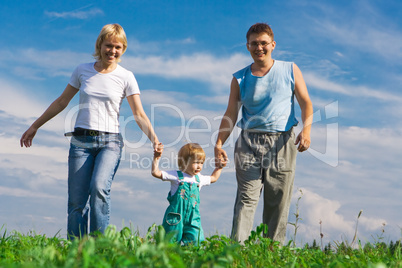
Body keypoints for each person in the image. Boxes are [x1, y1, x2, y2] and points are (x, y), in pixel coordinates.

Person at [20, 24, 160, 239]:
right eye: (109, 45)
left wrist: (154, 140)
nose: (112, 51)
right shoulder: (82, 70)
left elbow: (138, 113)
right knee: (77, 202)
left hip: (110, 142)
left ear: (123, 49)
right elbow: (61, 101)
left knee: (99, 188)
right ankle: (76, 251)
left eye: (118, 47)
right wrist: (35, 126)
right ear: (99, 45)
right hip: (81, 142)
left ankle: (98, 248)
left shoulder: (126, 76)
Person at [214, 23, 313, 244]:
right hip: (249, 142)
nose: (259, 47)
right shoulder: (239, 78)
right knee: (246, 198)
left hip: (282, 142)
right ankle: (236, 252)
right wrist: (219, 143)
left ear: (273, 45)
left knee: (277, 200)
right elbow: (230, 113)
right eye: (254, 44)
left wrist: (306, 130)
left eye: (263, 43)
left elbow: (306, 103)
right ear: (247, 46)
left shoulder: (290, 69)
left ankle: (271, 253)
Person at [151, 143, 225, 245]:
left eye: (201, 163)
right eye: (196, 162)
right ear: (184, 161)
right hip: (175, 217)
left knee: (196, 241)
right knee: (169, 243)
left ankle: (192, 259)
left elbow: (213, 178)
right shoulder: (176, 175)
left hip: (193, 219)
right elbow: (156, 172)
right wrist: (156, 158)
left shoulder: (199, 179)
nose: (199, 166)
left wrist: (219, 167)